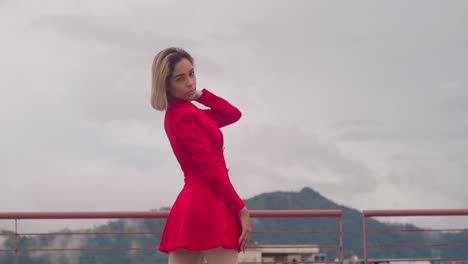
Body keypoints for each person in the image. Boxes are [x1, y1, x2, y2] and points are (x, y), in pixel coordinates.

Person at [151, 47, 251, 264]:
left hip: (193, 206)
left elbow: (232, 114)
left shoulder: (188, 113)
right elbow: (211, 168)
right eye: (180, 78)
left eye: (191, 73)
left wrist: (200, 95)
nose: (190, 82)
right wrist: (240, 208)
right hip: (211, 203)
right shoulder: (184, 116)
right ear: (166, 84)